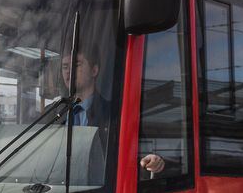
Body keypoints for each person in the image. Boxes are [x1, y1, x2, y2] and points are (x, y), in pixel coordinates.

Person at [60, 48, 165, 176]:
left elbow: (140, 154)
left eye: (77, 64)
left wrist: (152, 160)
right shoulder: (52, 115)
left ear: (94, 70)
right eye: (65, 66)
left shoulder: (116, 115)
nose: (69, 71)